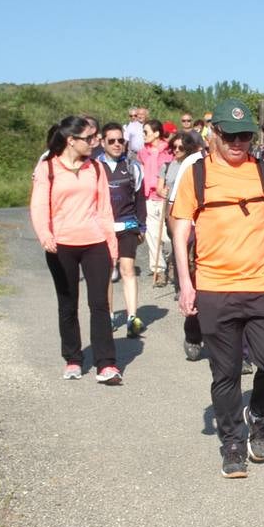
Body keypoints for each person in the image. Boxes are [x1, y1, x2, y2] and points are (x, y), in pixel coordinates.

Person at [172, 98, 264, 479]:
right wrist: (186, 283)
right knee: (226, 372)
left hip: (263, 285)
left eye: (245, 135)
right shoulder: (196, 176)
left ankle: (259, 413)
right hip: (215, 288)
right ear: (214, 134)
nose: (238, 142)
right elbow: (181, 229)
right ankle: (233, 442)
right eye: (230, 135)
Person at [29, 116, 122, 384]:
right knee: (67, 304)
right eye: (89, 139)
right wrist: (45, 234)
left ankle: (106, 364)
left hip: (94, 243)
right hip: (61, 245)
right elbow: (38, 206)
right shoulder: (48, 167)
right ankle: (72, 358)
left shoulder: (97, 168)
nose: (95, 143)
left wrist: (111, 247)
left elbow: (105, 210)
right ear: (72, 140)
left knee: (100, 304)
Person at [97, 123, 147, 338]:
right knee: (107, 272)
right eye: (112, 141)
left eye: (121, 141)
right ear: (102, 143)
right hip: (103, 227)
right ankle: (108, 316)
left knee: (127, 269)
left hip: (127, 224)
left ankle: (132, 317)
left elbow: (140, 200)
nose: (117, 144)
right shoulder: (94, 167)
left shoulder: (133, 166)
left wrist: (142, 226)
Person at [164, 131, 208, 360]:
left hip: (228, 236)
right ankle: (193, 332)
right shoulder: (192, 163)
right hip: (195, 230)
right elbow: (174, 204)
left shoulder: (248, 164)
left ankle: (241, 350)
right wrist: (178, 237)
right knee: (198, 285)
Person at [137, 119, 172, 287]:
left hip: (165, 197)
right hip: (149, 197)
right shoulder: (143, 152)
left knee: (167, 235)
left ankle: (172, 260)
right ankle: (158, 269)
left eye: (146, 132)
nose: (143, 135)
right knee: (151, 234)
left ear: (157, 133)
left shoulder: (169, 151)